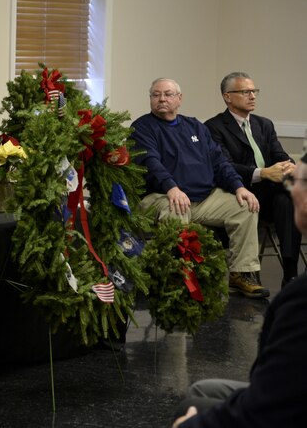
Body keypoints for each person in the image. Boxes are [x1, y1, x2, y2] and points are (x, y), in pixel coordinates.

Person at [172, 153, 307, 427]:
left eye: (297, 181)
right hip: (175, 196)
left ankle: (242, 272)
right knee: (203, 389)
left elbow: (269, 406)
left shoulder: (299, 303)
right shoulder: (210, 127)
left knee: (191, 404)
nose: (292, 189)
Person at [131, 78, 268, 298]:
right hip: (159, 197)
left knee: (245, 207)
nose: (162, 99)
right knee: (177, 207)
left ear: (179, 99)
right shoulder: (142, 127)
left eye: (167, 94)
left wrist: (238, 187)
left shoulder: (194, 126)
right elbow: (150, 162)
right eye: (156, 95)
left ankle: (242, 273)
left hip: (203, 198)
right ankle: (179, 279)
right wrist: (171, 188)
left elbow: (219, 161)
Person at [205, 72, 298, 286]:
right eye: (245, 91)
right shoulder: (213, 127)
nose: (252, 96)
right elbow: (224, 165)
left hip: (270, 193)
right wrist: (262, 173)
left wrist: (288, 165)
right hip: (238, 192)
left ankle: (291, 273)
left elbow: (279, 154)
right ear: (228, 96)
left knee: (289, 198)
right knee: (287, 198)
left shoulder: (264, 124)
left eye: (254, 91)